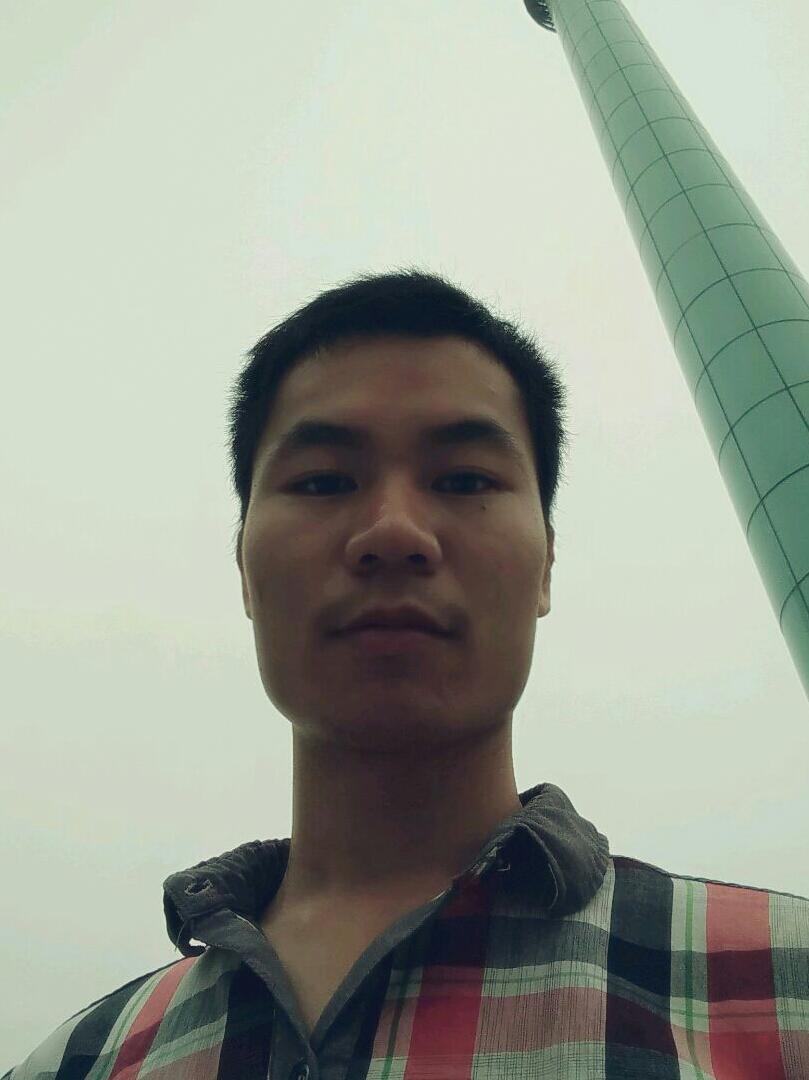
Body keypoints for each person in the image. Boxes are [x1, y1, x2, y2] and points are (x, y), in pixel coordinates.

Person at [7, 271, 808, 1079]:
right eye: (322, 481)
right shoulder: (78, 1062)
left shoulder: (783, 992)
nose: (393, 532)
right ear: (244, 570)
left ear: (545, 566)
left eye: (464, 480)